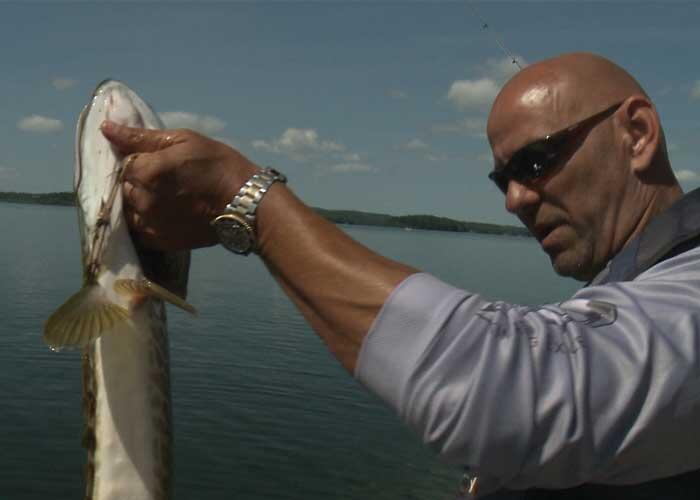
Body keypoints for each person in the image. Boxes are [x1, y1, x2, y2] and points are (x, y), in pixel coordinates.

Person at [101, 52, 700, 499]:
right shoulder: (637, 294)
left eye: (536, 161)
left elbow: (524, 394)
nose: (515, 199)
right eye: (502, 179)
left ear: (637, 134)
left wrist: (247, 201)